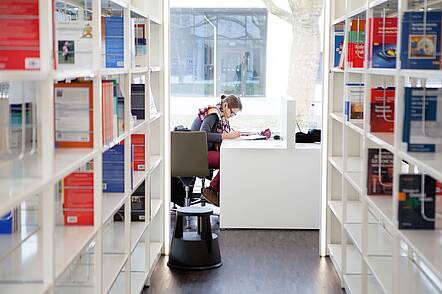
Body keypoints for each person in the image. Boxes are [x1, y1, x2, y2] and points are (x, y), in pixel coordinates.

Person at [191, 94, 242, 206]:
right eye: (232, 112)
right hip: (198, 153)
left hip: (204, 151)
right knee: (229, 160)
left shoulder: (221, 116)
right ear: (225, 105)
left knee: (232, 158)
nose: (232, 115)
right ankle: (211, 191)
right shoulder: (213, 114)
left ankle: (214, 191)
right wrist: (226, 136)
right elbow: (202, 135)